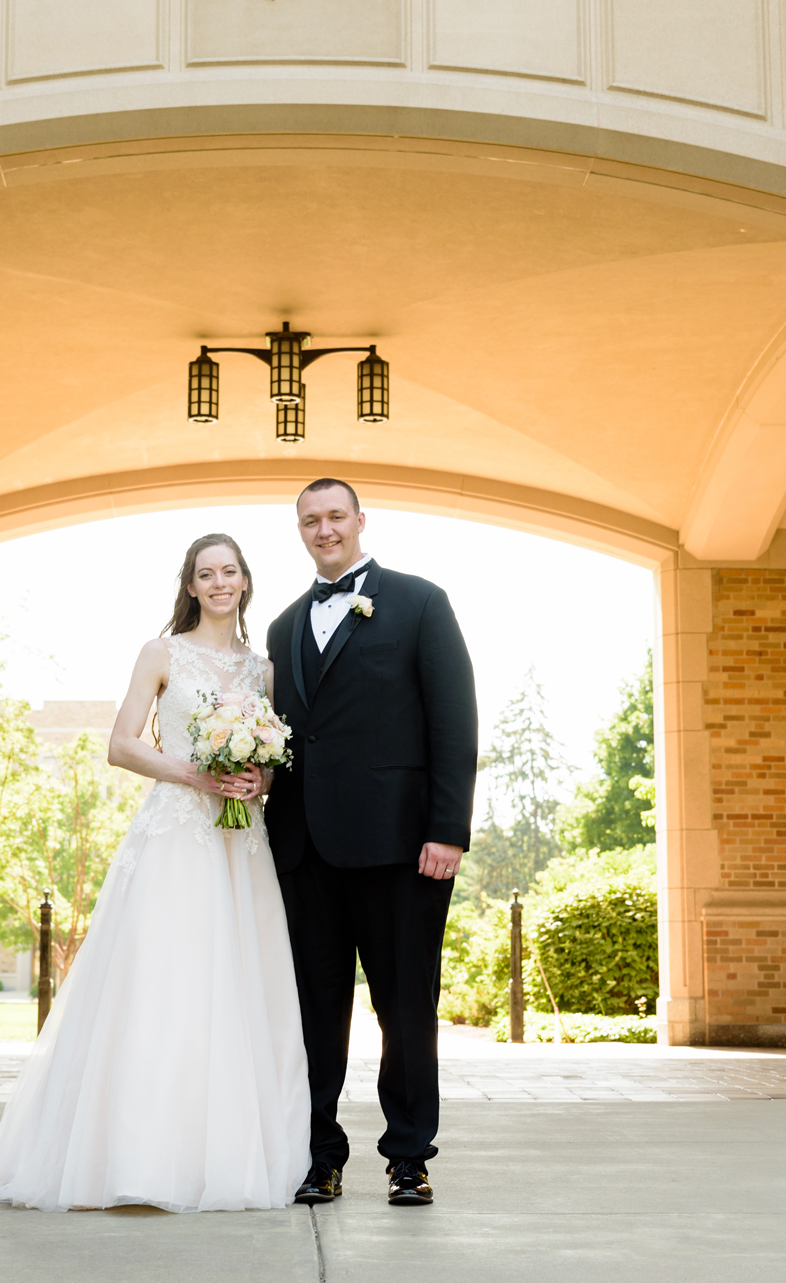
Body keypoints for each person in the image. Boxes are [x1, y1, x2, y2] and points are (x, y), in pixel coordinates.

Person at [0, 534, 308, 1212]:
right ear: (190, 585)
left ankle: (226, 1155)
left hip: (240, 841)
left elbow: (276, 762)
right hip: (177, 835)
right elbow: (121, 743)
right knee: (164, 982)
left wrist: (257, 779)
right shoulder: (161, 652)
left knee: (238, 986)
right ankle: (135, 1155)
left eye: (230, 571)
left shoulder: (264, 669)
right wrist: (195, 773)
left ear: (246, 581)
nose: (219, 582)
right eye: (205, 573)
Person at [264, 478, 478, 1208]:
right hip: (304, 851)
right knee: (314, 1011)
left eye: (334, 516)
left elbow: (454, 720)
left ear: (360, 520)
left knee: (405, 1008)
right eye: (309, 521)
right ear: (300, 531)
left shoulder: (421, 602)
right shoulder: (284, 625)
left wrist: (447, 829)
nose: (324, 529)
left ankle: (409, 1155)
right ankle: (319, 1153)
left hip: (401, 847)